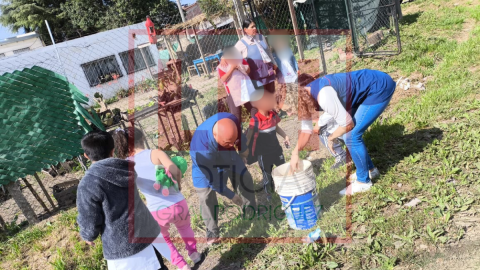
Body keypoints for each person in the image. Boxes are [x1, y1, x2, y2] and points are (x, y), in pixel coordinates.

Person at [289, 69, 396, 195]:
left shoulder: (322, 95)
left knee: (351, 136)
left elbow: (347, 124)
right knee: (348, 136)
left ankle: (363, 182)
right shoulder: (304, 95)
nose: (290, 114)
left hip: (378, 87)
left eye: (289, 109)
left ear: (296, 100)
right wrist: (295, 153)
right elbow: (306, 130)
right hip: (362, 92)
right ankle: (370, 170)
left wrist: (331, 138)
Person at [77, 130, 171, 270]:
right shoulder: (126, 168)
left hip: (122, 245)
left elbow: (89, 217)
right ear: (113, 150)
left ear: (86, 155)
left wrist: (88, 235)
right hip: (147, 231)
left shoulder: (88, 183)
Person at [112, 127, 201, 270]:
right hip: (177, 203)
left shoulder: (126, 164)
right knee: (185, 228)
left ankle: (182, 265)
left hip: (155, 210)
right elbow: (174, 169)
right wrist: (178, 184)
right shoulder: (156, 153)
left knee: (164, 239)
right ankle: (194, 254)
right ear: (143, 139)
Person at [190, 113, 257, 243]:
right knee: (205, 195)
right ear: (215, 136)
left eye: (233, 141)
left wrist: (242, 152)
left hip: (226, 153)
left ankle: (250, 211)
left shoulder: (230, 119)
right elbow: (212, 180)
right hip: (205, 165)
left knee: (245, 177)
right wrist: (231, 195)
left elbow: (240, 140)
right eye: (229, 142)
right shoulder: (201, 150)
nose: (232, 144)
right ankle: (212, 231)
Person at [242, 90, 290, 200]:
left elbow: (277, 128)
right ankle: (269, 193)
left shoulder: (273, 115)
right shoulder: (255, 121)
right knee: (267, 174)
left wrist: (285, 136)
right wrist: (244, 154)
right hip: (263, 154)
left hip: (276, 150)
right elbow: (249, 138)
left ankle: (285, 188)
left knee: (283, 169)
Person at [221, 19, 277, 96]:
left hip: (268, 71)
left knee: (272, 95)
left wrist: (274, 63)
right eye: (252, 27)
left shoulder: (261, 37)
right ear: (245, 30)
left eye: (255, 26)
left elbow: (268, 51)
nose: (255, 28)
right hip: (257, 77)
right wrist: (223, 58)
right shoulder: (242, 43)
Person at [217, 45, 254, 123]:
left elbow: (248, 71)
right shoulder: (222, 66)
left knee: (253, 109)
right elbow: (223, 79)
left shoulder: (240, 59)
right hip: (232, 93)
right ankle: (238, 133)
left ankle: (261, 127)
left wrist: (240, 67)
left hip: (245, 88)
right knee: (236, 115)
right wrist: (232, 68)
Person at [271, 34, 299, 116]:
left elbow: (293, 59)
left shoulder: (288, 50)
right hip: (283, 76)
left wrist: (297, 69)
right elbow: (274, 66)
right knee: (287, 93)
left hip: (292, 73)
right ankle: (289, 110)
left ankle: (296, 107)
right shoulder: (274, 55)